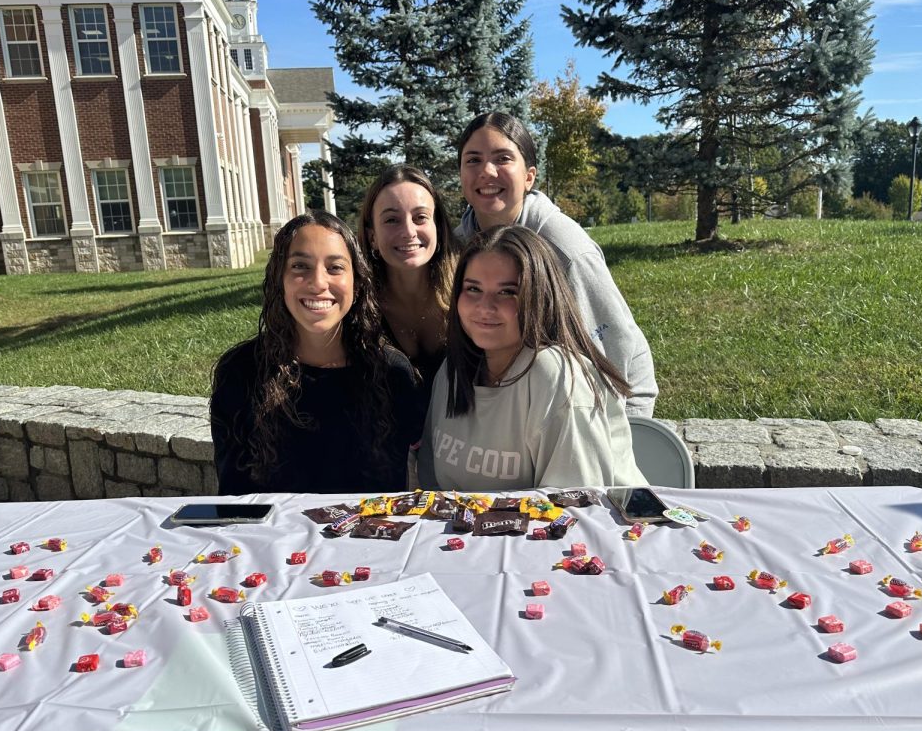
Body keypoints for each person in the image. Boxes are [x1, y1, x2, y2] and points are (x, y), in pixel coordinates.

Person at [455, 111, 658, 417]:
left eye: (503, 158)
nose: (486, 171)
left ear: (529, 176)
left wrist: (624, 439)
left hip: (573, 420)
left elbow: (620, 355)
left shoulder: (565, 250)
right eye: (473, 160)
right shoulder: (454, 249)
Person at [418, 224, 647, 492]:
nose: (485, 307)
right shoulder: (453, 370)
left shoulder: (557, 375)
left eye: (507, 292)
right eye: (473, 289)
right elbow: (431, 488)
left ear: (541, 297)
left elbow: (572, 511)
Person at [210, 211, 421, 495]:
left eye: (335, 268)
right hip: (267, 539)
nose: (318, 283)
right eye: (300, 266)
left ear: (357, 284)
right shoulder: (240, 372)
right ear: (279, 280)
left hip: (368, 537)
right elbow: (232, 499)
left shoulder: (392, 373)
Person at [358, 165, 459, 387]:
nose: (408, 231)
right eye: (392, 220)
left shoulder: (468, 294)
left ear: (438, 229)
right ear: (372, 236)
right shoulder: (357, 308)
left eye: (420, 217)